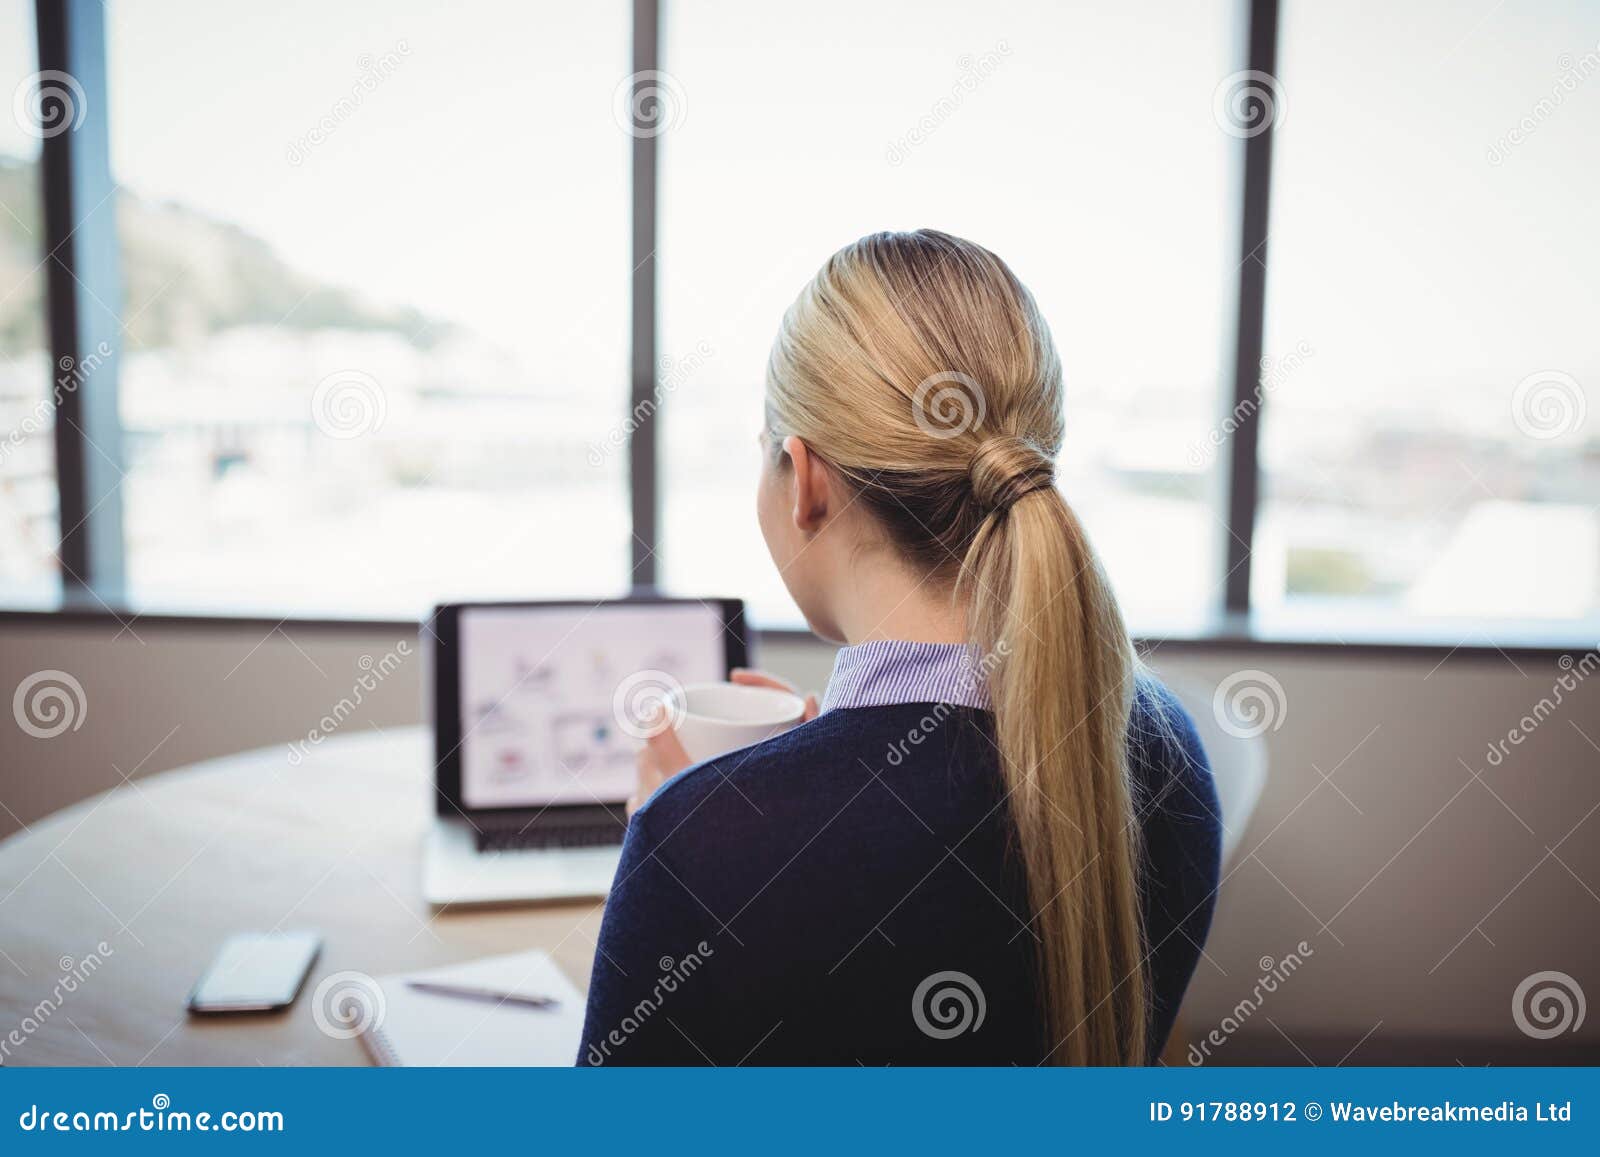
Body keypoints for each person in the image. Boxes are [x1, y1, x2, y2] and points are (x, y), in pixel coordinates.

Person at [579, 229, 1221, 1066]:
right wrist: (784, 789)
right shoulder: (1168, 754)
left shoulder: (702, 843)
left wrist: (683, 832)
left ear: (803, 480)